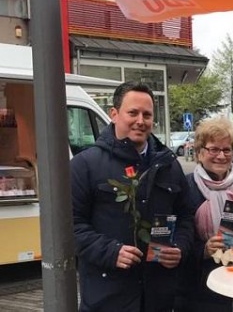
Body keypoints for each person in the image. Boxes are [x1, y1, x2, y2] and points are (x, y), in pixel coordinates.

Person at [71, 81, 194, 312]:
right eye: (133, 113)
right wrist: (111, 251)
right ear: (114, 114)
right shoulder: (84, 165)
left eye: (147, 114)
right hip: (107, 298)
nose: (141, 121)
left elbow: (186, 216)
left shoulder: (169, 165)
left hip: (158, 298)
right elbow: (70, 226)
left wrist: (180, 247)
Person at [176, 117, 233, 312]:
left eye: (226, 149)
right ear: (199, 152)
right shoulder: (184, 189)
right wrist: (203, 250)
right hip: (200, 291)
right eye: (213, 149)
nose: (221, 156)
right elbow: (176, 241)